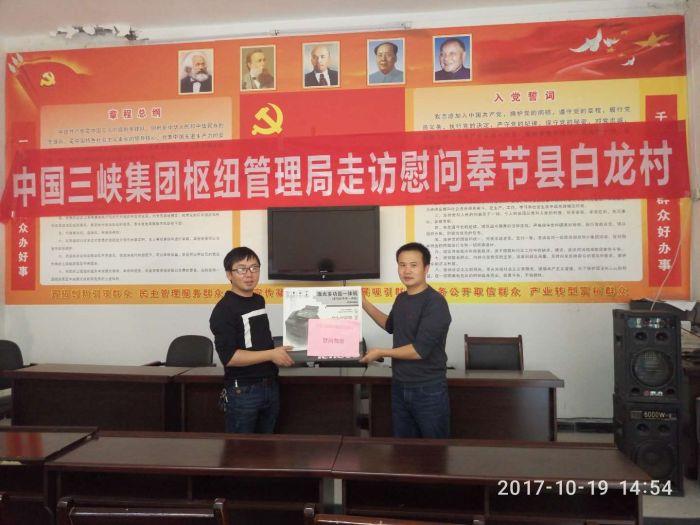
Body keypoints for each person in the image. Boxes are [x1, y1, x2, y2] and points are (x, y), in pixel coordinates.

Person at [360, 242, 452, 439]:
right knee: (404, 448)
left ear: (426, 268)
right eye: (402, 265)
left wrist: (381, 352)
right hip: (400, 385)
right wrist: (364, 303)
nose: (407, 270)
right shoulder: (401, 299)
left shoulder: (435, 303)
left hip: (428, 389)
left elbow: (419, 350)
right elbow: (389, 325)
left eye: (413, 265)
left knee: (435, 449)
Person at [209, 247, 294, 433]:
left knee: (267, 447)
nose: (249, 274)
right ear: (229, 275)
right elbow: (230, 357)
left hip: (270, 386)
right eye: (241, 269)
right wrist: (271, 354)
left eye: (254, 268)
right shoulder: (223, 310)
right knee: (240, 448)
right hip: (243, 392)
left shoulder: (258, 300)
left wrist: (281, 351)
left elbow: (258, 343)